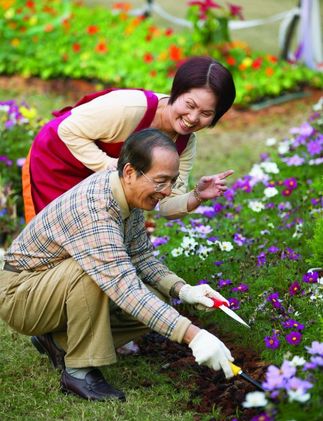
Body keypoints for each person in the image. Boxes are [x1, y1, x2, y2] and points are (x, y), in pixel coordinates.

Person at [1, 129, 234, 401]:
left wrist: (183, 290)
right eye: (161, 181)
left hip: (50, 286)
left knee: (156, 295)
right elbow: (122, 285)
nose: (168, 191)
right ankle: (78, 370)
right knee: (92, 272)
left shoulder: (127, 195)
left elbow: (142, 257)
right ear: (130, 172)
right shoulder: (95, 209)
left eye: (172, 181)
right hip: (21, 295)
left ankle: (57, 342)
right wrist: (193, 335)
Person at [22, 56, 236, 223]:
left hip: (99, 178)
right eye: (189, 105)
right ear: (176, 92)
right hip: (58, 159)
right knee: (52, 238)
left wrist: (197, 195)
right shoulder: (130, 108)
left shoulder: (185, 144)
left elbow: (167, 205)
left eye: (206, 114)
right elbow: (67, 130)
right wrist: (113, 170)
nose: (192, 118)